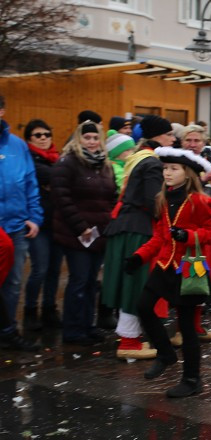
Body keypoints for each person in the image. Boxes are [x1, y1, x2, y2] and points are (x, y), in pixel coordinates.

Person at [124, 147, 211, 397]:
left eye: (173, 169)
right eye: (165, 168)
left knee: (186, 327)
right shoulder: (163, 198)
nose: (167, 173)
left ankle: (192, 379)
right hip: (164, 265)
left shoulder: (200, 201)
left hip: (188, 270)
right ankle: (166, 354)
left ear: (187, 174)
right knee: (144, 306)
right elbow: (159, 236)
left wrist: (188, 235)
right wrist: (140, 256)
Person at [102, 115, 172, 360]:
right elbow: (153, 200)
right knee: (135, 287)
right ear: (159, 136)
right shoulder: (152, 163)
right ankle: (129, 342)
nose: (173, 139)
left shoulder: (137, 157)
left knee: (129, 285)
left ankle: (130, 338)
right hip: (138, 229)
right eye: (170, 134)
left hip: (124, 226)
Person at [52, 120, 117, 344]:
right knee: (79, 280)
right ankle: (73, 330)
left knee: (91, 282)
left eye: (95, 138)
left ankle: (88, 325)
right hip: (75, 233)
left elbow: (111, 198)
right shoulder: (67, 163)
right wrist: (81, 227)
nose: (91, 142)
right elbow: (63, 199)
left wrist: (109, 224)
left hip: (99, 233)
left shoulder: (104, 165)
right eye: (87, 137)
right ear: (78, 138)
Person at [171, 124, 211, 338]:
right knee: (184, 279)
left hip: (204, 228)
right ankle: (182, 329)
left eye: (197, 141)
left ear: (204, 143)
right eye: (189, 140)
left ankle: (194, 326)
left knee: (198, 277)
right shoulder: (176, 162)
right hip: (184, 227)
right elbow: (176, 191)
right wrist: (202, 180)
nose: (193, 145)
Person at [0, 94, 43, 338]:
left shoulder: (17, 145)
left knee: (14, 282)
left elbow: (30, 182)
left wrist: (34, 217)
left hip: (15, 226)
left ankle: (7, 331)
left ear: (2, 111)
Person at [22, 119, 62, 330]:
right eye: (38, 135)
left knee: (54, 270)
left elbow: (60, 179)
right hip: (38, 223)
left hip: (57, 222)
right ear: (29, 138)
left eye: (47, 134)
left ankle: (49, 309)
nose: (44, 138)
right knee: (40, 269)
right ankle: (30, 311)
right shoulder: (28, 159)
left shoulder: (56, 159)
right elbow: (59, 177)